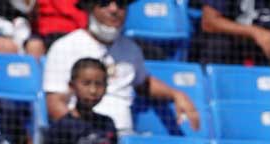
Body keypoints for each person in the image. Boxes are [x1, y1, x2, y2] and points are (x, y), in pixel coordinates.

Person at [43, 0, 199, 134]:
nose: (114, 9)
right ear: (90, 6)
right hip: (81, 138)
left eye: (121, 3)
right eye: (104, 2)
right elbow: (55, 105)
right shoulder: (65, 47)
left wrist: (176, 94)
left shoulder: (131, 49)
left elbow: (143, 83)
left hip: (122, 140)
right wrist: (84, 135)